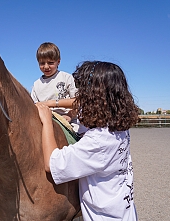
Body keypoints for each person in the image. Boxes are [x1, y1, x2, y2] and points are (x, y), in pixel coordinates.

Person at [36, 61, 140, 221]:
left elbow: (51, 163)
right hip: (125, 212)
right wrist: (52, 103)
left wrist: (48, 121)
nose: (80, 96)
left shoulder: (98, 141)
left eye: (84, 92)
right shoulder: (117, 126)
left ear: (96, 97)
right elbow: (79, 105)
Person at [31, 42, 85, 134]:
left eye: (51, 63)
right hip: (45, 121)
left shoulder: (66, 78)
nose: (46, 67)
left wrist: (69, 116)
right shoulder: (36, 84)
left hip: (69, 122)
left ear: (58, 61)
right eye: (42, 63)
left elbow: (78, 102)